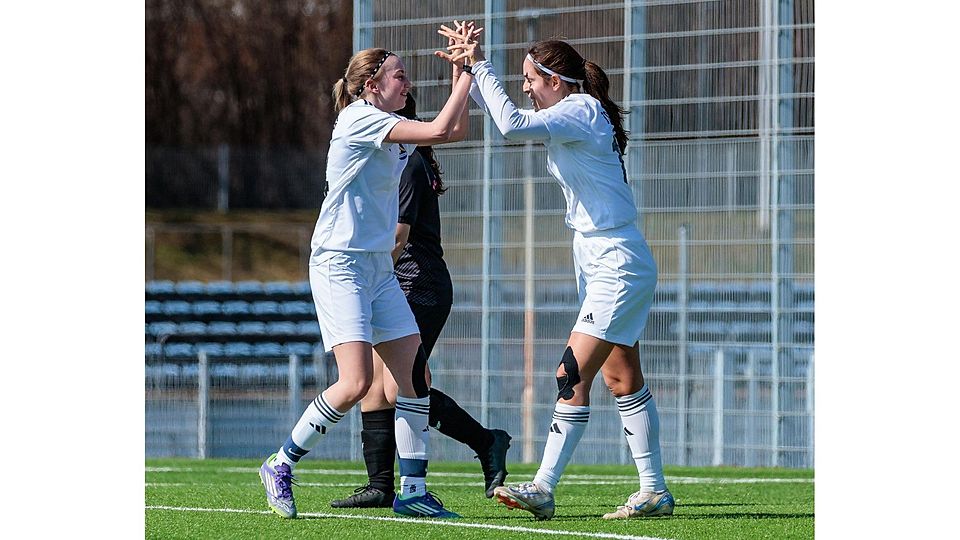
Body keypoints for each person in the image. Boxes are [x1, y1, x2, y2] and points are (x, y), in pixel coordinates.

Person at [439, 28, 674, 520]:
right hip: (601, 259)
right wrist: (469, 71)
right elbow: (510, 116)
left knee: (569, 373)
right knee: (620, 375)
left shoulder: (580, 109)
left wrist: (482, 69)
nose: (524, 86)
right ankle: (653, 491)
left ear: (556, 80)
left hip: (616, 261)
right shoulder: (573, 112)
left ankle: (543, 487)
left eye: (529, 78)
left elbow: (511, 126)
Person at [258, 22, 481, 520]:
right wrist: (466, 72)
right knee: (356, 382)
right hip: (340, 264)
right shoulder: (358, 119)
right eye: (399, 76)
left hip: (377, 267)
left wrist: (462, 77)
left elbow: (453, 131)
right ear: (371, 87)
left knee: (413, 377)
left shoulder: (390, 125)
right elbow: (443, 128)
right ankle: (281, 463)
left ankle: (415, 492)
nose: (407, 84)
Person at [330, 92, 511, 509]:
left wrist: (366, 275)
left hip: (416, 283)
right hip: (395, 281)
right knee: (375, 387)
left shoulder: (407, 161)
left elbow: (398, 236)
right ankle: (379, 485)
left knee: (399, 388)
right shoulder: (396, 156)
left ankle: (486, 442)